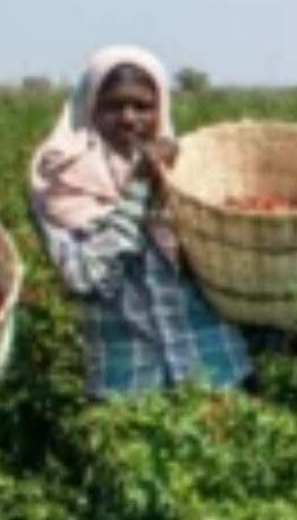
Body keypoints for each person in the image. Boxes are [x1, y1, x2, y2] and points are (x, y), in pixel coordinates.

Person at [28, 46, 252, 401]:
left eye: (143, 106)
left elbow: (226, 274)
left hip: (217, 369)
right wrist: (138, 187)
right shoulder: (59, 182)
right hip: (127, 383)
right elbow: (85, 277)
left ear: (160, 108)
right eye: (113, 105)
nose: (129, 118)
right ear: (89, 107)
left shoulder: (191, 172)